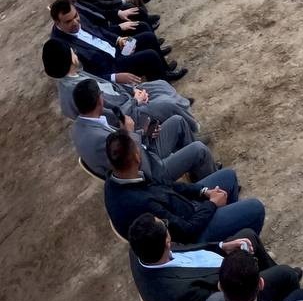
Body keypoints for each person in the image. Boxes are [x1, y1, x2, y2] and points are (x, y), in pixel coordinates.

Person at [128, 213, 302, 301]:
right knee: (286, 274)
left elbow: (187, 249)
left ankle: (271, 282)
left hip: (216, 265)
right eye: (165, 226)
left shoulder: (142, 248)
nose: (167, 225)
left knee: (248, 236)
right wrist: (242, 270)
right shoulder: (183, 294)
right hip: (234, 285)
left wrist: (221, 246)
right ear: (166, 242)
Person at [103, 127, 263, 245]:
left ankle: (232, 234)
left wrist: (204, 192)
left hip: (186, 208)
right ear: (137, 157)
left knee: (228, 176)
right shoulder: (142, 204)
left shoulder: (117, 178)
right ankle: (243, 249)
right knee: (256, 208)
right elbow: (186, 231)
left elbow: (169, 187)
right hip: (193, 235)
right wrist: (212, 204)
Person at [70, 77, 212, 182]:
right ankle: (210, 181)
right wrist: (130, 133)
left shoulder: (80, 126)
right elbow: (134, 164)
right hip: (150, 172)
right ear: (99, 100)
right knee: (199, 150)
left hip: (142, 153)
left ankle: (197, 171)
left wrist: (144, 134)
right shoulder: (99, 139)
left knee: (178, 121)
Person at [43, 40, 193, 132]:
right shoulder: (79, 91)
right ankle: (190, 130)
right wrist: (136, 101)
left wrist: (133, 90)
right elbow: (110, 116)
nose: (75, 52)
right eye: (71, 51)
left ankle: (183, 112)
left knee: (160, 85)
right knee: (167, 104)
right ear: (67, 59)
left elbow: (109, 85)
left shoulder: (76, 74)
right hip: (127, 115)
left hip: (126, 99)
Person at [49, 0, 179, 84]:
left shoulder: (76, 15)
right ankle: (168, 95)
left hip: (116, 50)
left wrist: (118, 39)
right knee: (150, 56)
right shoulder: (61, 47)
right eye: (68, 21)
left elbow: (98, 30)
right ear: (57, 22)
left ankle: (165, 72)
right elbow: (86, 76)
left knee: (147, 36)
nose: (75, 22)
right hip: (113, 68)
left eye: (76, 17)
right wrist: (114, 77)